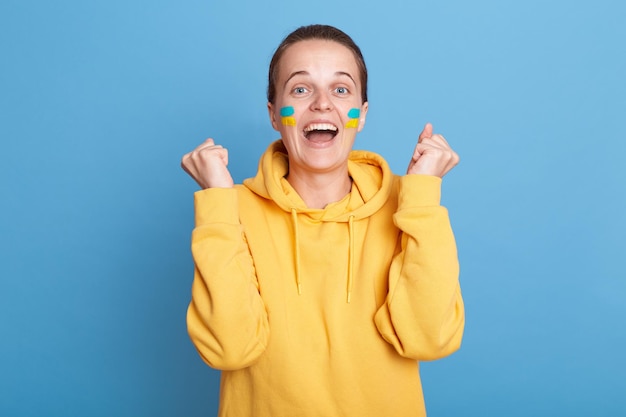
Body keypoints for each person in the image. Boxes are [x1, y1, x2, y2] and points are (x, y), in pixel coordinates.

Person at [181, 24, 464, 417]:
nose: (321, 104)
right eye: (300, 89)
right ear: (274, 116)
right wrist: (216, 202)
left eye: (341, 89)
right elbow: (229, 347)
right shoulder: (232, 210)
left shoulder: (408, 203)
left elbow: (429, 339)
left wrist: (423, 195)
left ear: (360, 115)